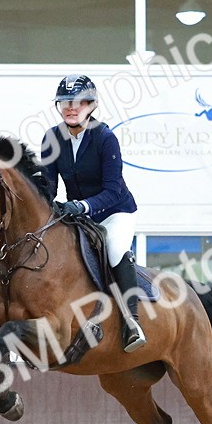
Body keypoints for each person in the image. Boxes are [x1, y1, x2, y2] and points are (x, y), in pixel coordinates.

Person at [40, 74, 146, 352]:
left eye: (78, 102)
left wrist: (82, 206)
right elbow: (48, 186)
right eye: (65, 103)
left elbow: (113, 190)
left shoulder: (105, 138)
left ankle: (132, 322)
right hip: (80, 215)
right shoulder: (51, 138)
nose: (71, 108)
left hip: (115, 212)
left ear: (91, 105)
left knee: (113, 249)